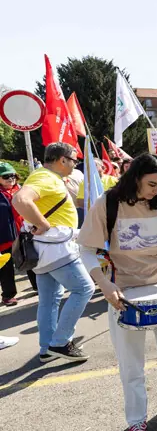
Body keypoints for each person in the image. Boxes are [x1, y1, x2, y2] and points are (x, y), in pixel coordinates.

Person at [77, 154, 157, 431]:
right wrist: (104, 284)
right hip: (124, 293)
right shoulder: (108, 203)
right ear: (135, 178)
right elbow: (86, 249)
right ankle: (136, 421)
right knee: (131, 364)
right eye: (152, 185)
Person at [13, 142, 95, 363]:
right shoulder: (45, 177)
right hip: (55, 249)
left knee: (49, 299)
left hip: (45, 250)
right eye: (74, 160)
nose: (75, 164)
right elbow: (20, 199)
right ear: (62, 160)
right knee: (84, 288)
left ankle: (47, 347)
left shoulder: (46, 176)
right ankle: (60, 342)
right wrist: (43, 224)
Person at [0, 163, 37, 306]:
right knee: (6, 268)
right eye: (6, 176)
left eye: (13, 175)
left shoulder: (21, 190)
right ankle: (8, 295)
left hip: (23, 232)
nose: (11, 179)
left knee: (30, 259)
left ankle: (37, 286)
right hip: (4, 237)